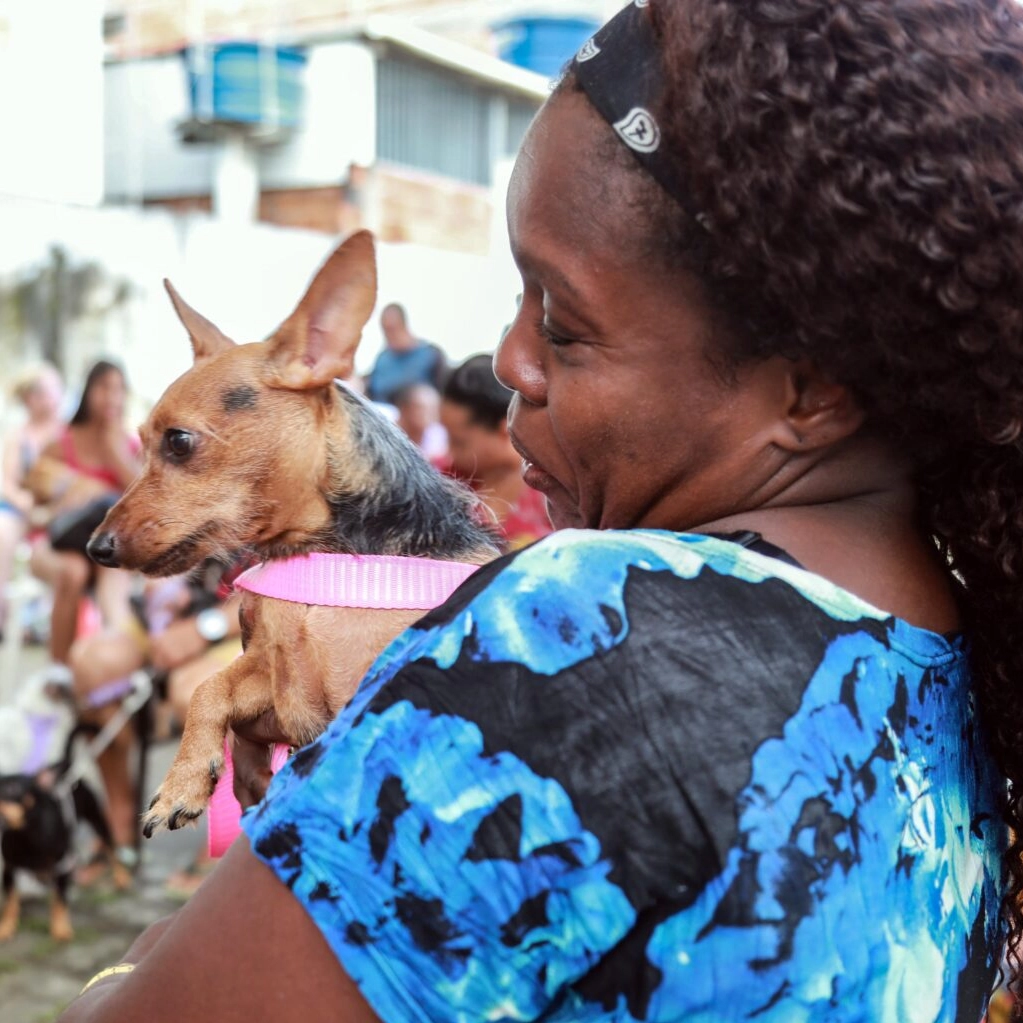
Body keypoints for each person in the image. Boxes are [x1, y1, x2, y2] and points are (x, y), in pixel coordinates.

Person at [58, 0, 1023, 1019]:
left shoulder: (581, 631)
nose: (510, 360)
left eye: (560, 321)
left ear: (813, 384)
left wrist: (147, 960)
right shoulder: (943, 658)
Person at [70, 558, 244, 887]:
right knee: (93, 663)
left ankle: (227, 838)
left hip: (241, 618)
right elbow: (116, 554)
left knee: (199, 691)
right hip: (160, 615)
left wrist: (202, 629)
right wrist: (131, 620)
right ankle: (118, 822)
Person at [27, 360, 141, 683]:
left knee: (112, 574)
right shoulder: (60, 445)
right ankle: (59, 672)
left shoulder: (131, 446)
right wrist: (67, 497)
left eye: (119, 389)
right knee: (73, 571)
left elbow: (141, 499)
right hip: (54, 543)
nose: (111, 397)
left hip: (104, 552)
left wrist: (113, 452)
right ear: (88, 391)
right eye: (104, 387)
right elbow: (34, 511)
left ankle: (108, 672)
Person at [439, 353, 552, 550]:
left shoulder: (554, 491)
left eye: (459, 442)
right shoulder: (442, 478)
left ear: (504, 430)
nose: (449, 451)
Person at [0, 363, 64, 638]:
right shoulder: (19, 435)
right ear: (30, 399)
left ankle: (45, 616)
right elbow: (6, 482)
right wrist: (24, 501)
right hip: (23, 510)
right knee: (3, 528)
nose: (51, 398)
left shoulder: (66, 432)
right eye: (45, 393)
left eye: (53, 391)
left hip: (57, 510)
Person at [364, 303, 447, 404]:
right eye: (386, 330)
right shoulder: (383, 358)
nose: (389, 336)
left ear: (403, 325)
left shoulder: (431, 355)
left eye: (392, 329)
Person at [392, 383, 448, 463]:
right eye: (423, 409)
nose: (430, 414)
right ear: (404, 408)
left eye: (434, 409)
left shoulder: (439, 436)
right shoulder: (385, 430)